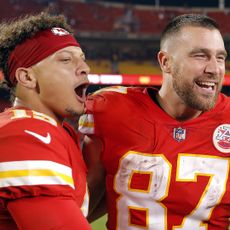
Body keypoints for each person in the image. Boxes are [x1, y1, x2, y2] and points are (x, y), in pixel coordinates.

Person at [79, 14, 230, 229]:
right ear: (165, 62)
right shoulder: (111, 110)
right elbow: (86, 202)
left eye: (221, 57)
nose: (214, 69)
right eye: (200, 56)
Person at [0, 12, 92, 229]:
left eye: (82, 59)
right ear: (28, 78)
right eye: (66, 60)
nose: (84, 68)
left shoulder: (55, 131)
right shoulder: (25, 136)